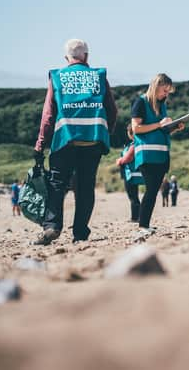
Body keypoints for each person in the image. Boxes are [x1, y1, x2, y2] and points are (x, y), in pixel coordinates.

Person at [32, 39, 117, 245]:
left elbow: (48, 115)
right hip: (93, 140)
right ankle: (80, 232)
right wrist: (105, 133)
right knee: (86, 186)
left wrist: (40, 144)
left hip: (65, 139)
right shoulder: (98, 75)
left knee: (57, 183)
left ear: (66, 58)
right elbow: (112, 110)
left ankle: (52, 226)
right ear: (86, 56)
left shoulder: (57, 76)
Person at [131, 73, 184, 231]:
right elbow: (136, 128)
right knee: (151, 190)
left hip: (161, 156)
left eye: (168, 92)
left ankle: (144, 224)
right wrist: (160, 124)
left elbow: (163, 131)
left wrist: (174, 127)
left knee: (153, 191)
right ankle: (142, 225)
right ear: (156, 86)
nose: (166, 94)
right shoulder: (140, 102)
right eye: (165, 91)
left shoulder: (162, 105)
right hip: (147, 156)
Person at [116, 124, 142, 222]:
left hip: (131, 175)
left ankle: (135, 218)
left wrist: (119, 161)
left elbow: (127, 158)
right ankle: (137, 217)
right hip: (136, 174)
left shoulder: (133, 144)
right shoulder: (139, 143)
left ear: (130, 133)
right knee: (135, 197)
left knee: (133, 197)